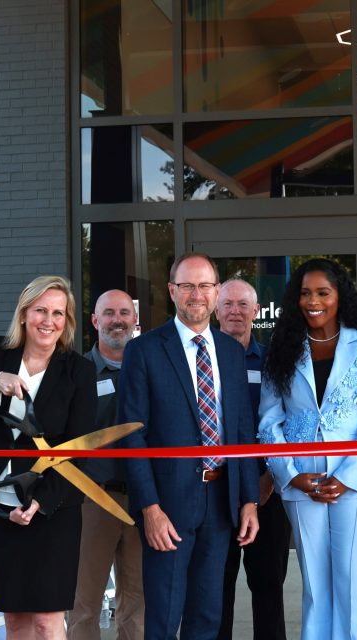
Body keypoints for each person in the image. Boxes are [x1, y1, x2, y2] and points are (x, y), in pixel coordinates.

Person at [118, 252, 260, 640]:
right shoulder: (144, 351)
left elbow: (243, 432)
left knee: (207, 617)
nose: (196, 294)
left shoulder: (231, 352)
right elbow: (132, 434)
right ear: (171, 291)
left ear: (216, 292)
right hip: (168, 506)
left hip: (221, 502)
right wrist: (149, 508)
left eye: (204, 285)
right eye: (187, 286)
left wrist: (248, 499)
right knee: (163, 619)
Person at [0, 275, 98, 639]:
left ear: (67, 321)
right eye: (40, 311)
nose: (48, 321)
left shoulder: (79, 370)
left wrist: (41, 502)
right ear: (23, 314)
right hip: (0, 503)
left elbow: (78, 449)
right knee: (14, 617)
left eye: (58, 313)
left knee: (48, 619)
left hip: (54, 506)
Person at [258, 258, 357, 640]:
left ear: (339, 297)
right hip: (302, 482)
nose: (312, 301)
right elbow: (269, 421)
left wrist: (348, 478)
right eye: (304, 293)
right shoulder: (282, 347)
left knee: (352, 582)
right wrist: (289, 474)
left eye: (322, 292)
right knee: (315, 585)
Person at [215, 278, 291, 640]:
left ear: (256, 312)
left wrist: (272, 477)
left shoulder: (273, 363)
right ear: (216, 309)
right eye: (227, 304)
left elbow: (291, 421)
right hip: (215, 493)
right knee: (216, 590)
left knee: (269, 589)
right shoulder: (202, 360)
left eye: (243, 305)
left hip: (266, 492)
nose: (235, 311)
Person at [69, 289, 145, 640]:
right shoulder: (76, 372)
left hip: (144, 502)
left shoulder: (149, 369)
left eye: (124, 313)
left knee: (138, 600)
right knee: (84, 601)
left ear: (135, 320)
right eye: (109, 313)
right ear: (96, 321)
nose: (118, 320)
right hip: (93, 501)